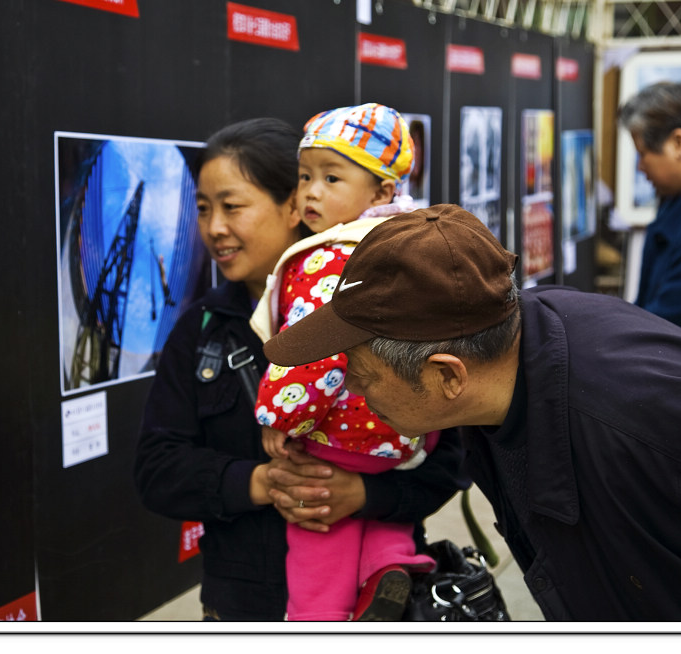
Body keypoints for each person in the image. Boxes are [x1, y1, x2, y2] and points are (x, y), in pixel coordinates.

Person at [263, 203, 681, 621]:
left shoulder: (648, 430)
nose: (352, 390)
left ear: (447, 376)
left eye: (362, 374)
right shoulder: (513, 357)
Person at [133, 118, 467, 621]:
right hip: (242, 605)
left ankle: (390, 566)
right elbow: (157, 469)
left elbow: (450, 461)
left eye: (232, 206)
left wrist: (367, 494)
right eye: (203, 210)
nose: (214, 228)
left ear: (294, 206)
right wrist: (263, 482)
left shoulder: (386, 307)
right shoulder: (202, 331)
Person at [250, 103, 437, 621]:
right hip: (401, 432)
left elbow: (312, 349)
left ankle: (318, 619)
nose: (310, 191)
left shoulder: (331, 257)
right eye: (305, 175)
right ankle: (391, 565)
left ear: (381, 192)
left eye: (331, 178)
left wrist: (279, 417)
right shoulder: (405, 243)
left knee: (317, 543)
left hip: (341, 436)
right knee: (381, 524)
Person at [619, 81, 681, 330]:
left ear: (678, 143)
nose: (640, 167)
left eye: (643, 154)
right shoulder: (679, 198)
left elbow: (669, 322)